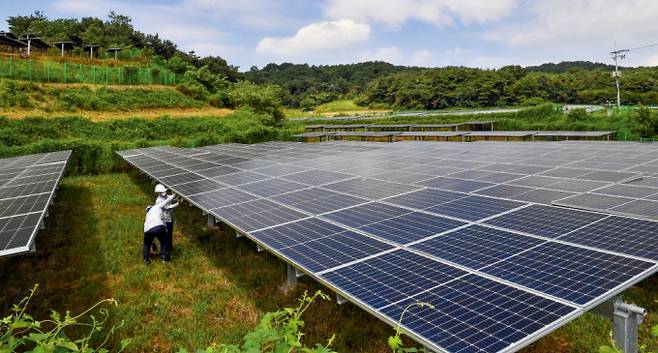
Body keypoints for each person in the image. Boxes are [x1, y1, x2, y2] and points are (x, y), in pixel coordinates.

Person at [143, 193, 177, 265]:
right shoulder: (157, 207)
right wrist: (174, 195)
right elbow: (167, 201)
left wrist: (153, 244)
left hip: (147, 229)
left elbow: (148, 234)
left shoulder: (147, 216)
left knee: (146, 244)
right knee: (164, 242)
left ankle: (146, 260)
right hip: (159, 226)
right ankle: (165, 259)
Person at [155, 184, 179, 253]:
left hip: (170, 219)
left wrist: (177, 196)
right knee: (166, 235)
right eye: (162, 192)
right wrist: (178, 204)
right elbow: (168, 207)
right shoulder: (158, 201)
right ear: (158, 193)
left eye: (164, 191)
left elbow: (172, 197)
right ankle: (166, 250)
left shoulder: (166, 196)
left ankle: (170, 247)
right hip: (165, 221)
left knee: (170, 234)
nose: (164, 193)